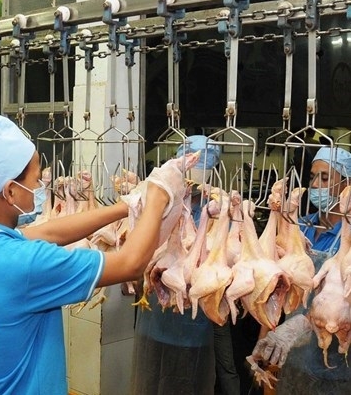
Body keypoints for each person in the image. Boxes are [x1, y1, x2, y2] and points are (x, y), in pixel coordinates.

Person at [0, 114, 187, 394]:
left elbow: (51, 233)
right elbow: (130, 264)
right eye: (34, 181)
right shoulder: (25, 264)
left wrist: (125, 206)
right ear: (10, 191)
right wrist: (159, 197)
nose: (39, 188)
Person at [130, 135, 240, 395]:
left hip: (196, 320)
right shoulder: (162, 203)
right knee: (152, 377)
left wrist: (229, 211)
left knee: (188, 379)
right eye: (190, 168)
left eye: (203, 167)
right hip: (156, 315)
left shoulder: (217, 207)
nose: (194, 175)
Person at [250, 146, 351, 394]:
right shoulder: (299, 227)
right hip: (289, 357)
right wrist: (264, 347)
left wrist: (301, 326)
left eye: (325, 177)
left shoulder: (348, 237)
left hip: (336, 362)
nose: (315, 185)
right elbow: (274, 291)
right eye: (312, 177)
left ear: (347, 185)